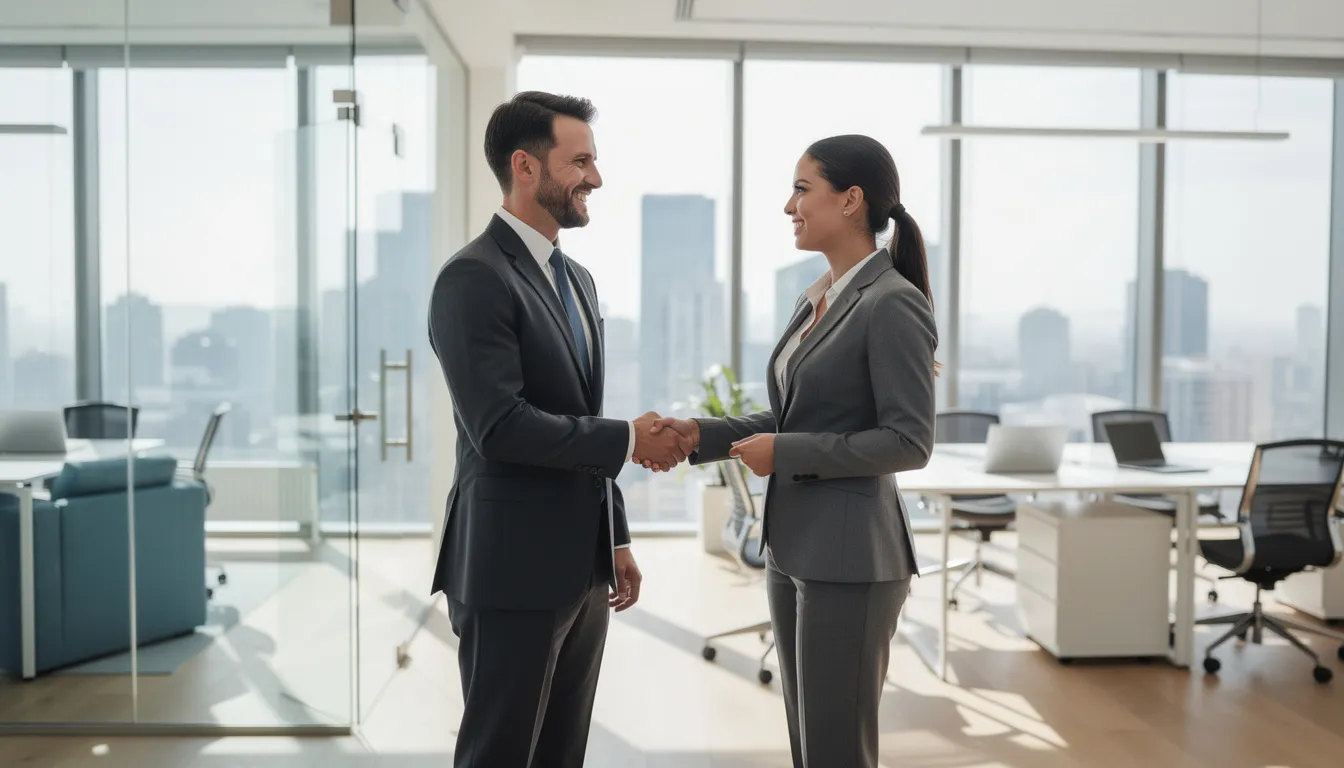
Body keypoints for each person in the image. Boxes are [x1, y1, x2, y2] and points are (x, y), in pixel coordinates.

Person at [642, 134, 938, 768]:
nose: (788, 206)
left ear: (852, 200)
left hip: (852, 558)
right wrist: (703, 435)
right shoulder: (819, 297)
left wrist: (789, 452)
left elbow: (909, 442)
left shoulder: (891, 302)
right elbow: (795, 416)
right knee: (809, 743)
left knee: (836, 749)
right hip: (793, 546)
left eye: (802, 189)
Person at [427, 91, 693, 768]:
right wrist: (631, 441)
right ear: (525, 166)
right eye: (580, 162)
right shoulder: (473, 278)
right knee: (500, 752)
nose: (596, 178)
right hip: (510, 569)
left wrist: (618, 533)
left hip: (583, 567)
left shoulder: (577, 280)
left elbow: (576, 413)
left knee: (560, 753)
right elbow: (500, 426)